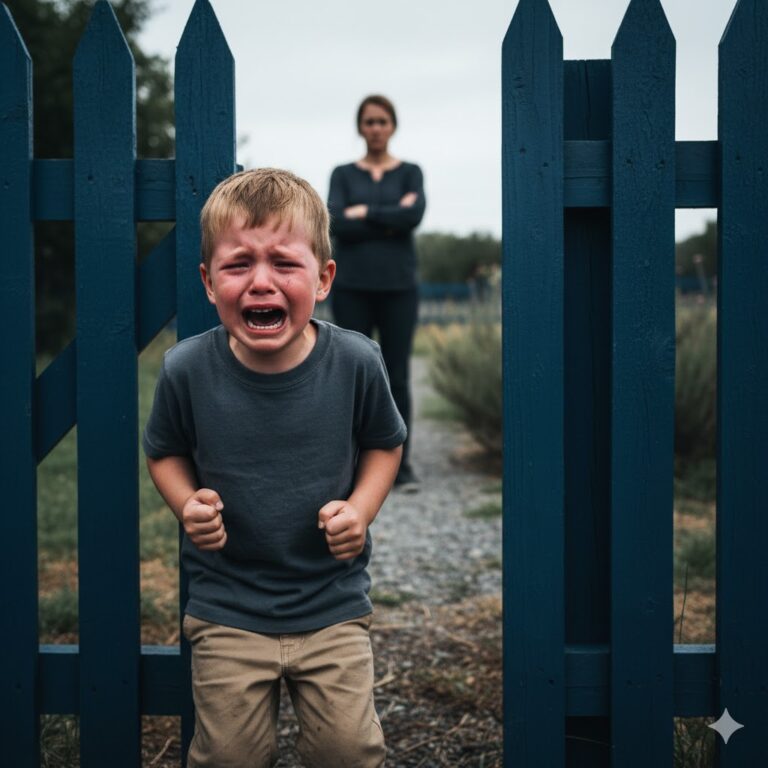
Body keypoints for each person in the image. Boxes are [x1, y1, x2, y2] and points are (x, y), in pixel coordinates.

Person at [143, 168, 406, 768]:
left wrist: (361, 510)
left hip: (332, 604)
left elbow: (384, 443)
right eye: (239, 264)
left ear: (323, 278)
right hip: (227, 609)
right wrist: (185, 502)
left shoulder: (356, 361)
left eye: (284, 263)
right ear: (209, 282)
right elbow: (164, 451)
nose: (261, 281)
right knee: (229, 756)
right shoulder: (186, 369)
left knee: (347, 751)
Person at [328, 94, 425, 491]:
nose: (376, 128)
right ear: (360, 127)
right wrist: (389, 219)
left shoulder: (411, 173)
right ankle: (351, 467)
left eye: (382, 121)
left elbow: (412, 217)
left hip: (399, 288)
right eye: (369, 121)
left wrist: (364, 212)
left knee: (397, 376)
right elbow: (336, 222)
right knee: (352, 375)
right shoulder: (342, 174)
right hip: (351, 288)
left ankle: (400, 467)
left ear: (393, 126)